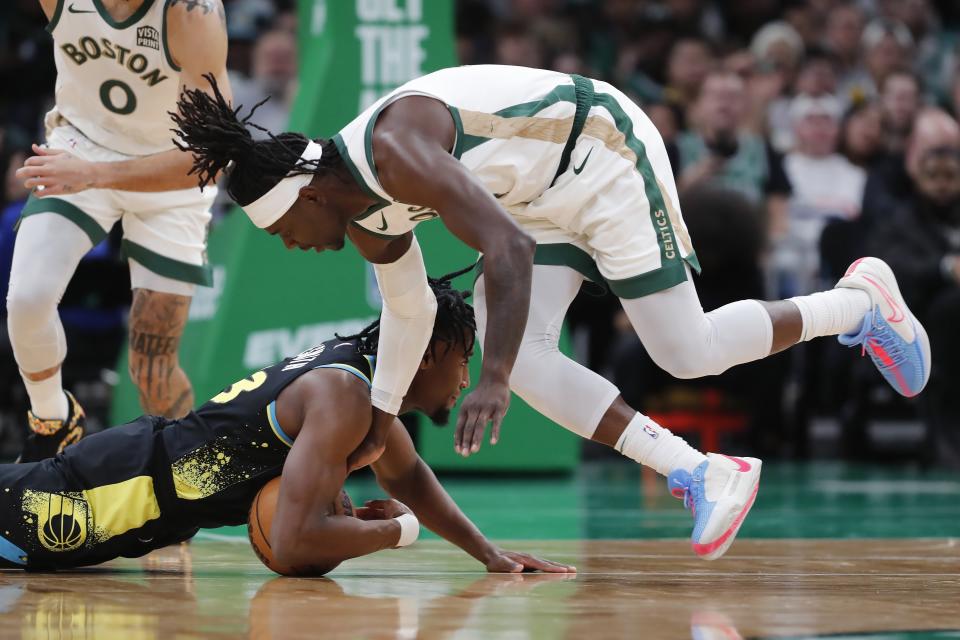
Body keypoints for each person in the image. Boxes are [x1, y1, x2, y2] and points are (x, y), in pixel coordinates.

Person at [173, 64, 931, 560]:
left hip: (599, 152)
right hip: (536, 196)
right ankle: (702, 473)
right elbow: (407, 316)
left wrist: (490, 375)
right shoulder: (370, 220)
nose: (292, 246)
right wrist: (380, 414)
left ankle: (858, 303)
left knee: (685, 349)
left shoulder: (397, 147)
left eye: (281, 233)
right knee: (536, 359)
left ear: (306, 197)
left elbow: (504, 249)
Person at [0, 272, 573, 574]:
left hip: (134, 494)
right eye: (463, 357)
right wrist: (400, 532)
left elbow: (407, 476)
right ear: (428, 353)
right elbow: (296, 544)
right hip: (105, 494)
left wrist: (490, 554)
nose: (465, 375)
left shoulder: (367, 385)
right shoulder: (343, 395)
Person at [9, 0, 232, 463]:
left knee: (152, 367)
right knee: (27, 300)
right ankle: (52, 421)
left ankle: (182, 483)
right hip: (80, 145)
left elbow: (209, 158)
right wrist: (87, 171)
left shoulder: (193, 14)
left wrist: (95, 175)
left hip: (171, 172)